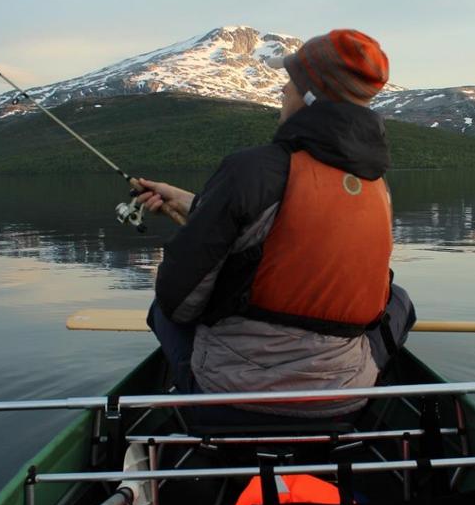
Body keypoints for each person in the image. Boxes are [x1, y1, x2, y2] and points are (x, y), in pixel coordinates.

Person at [134, 29, 415, 427]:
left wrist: (197, 232)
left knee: (162, 311)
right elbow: (301, 232)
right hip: (346, 400)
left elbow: (179, 303)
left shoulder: (250, 169)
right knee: (399, 298)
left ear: (311, 96)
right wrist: (196, 205)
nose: (283, 91)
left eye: (291, 82)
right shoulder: (377, 188)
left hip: (232, 403)